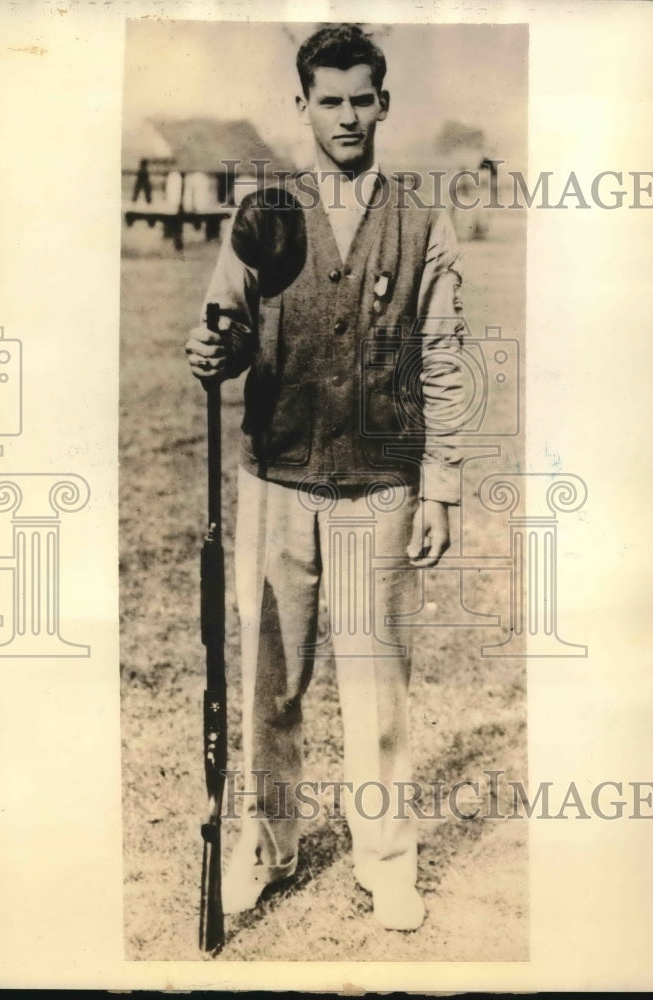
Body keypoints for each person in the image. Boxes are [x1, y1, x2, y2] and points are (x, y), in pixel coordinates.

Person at [185, 23, 464, 932]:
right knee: (271, 683)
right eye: (329, 100)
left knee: (376, 682)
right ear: (302, 106)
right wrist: (209, 350)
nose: (346, 116)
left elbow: (447, 359)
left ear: (384, 102)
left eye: (361, 98)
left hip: (378, 490)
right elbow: (218, 334)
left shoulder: (422, 220)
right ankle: (265, 849)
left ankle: (385, 859)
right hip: (275, 483)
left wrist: (444, 481)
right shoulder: (266, 214)